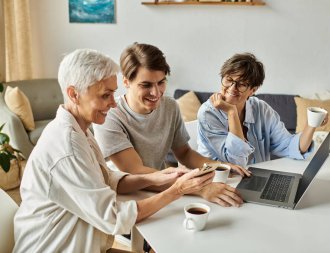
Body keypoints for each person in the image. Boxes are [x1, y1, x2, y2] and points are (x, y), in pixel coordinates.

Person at [13, 49, 214, 253]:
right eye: (105, 95)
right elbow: (114, 217)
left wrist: (156, 178)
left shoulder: (79, 129)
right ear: (74, 94)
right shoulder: (67, 147)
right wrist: (176, 190)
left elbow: (105, 178)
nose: (113, 102)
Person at [93, 43, 250, 208]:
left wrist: (219, 166)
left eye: (161, 82)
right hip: (127, 199)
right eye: (146, 85)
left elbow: (185, 154)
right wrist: (201, 188)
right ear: (126, 81)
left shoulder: (169, 106)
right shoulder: (110, 115)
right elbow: (136, 171)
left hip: (164, 189)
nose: (156, 93)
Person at [197, 52, 328, 167]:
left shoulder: (261, 109)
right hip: (223, 184)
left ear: (253, 90)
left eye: (241, 84)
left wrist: (312, 124)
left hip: (257, 180)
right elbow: (236, 162)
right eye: (228, 80)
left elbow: (290, 147)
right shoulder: (208, 113)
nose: (232, 88)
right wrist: (232, 113)